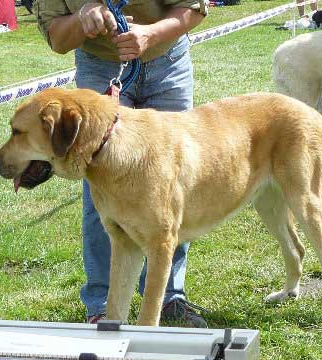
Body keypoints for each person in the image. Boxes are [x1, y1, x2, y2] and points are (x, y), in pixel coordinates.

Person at [34, 0, 208, 327]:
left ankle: (170, 296)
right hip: (100, 66)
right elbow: (57, 37)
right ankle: (102, 304)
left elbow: (194, 9)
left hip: (166, 59)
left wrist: (152, 34)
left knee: (172, 187)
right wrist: (80, 18)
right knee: (100, 188)